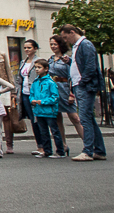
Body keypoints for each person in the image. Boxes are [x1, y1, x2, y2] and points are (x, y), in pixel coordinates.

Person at [59, 24, 106, 162]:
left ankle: (88, 151)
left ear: (72, 32)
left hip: (84, 86)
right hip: (81, 85)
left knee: (84, 118)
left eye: (66, 37)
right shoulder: (78, 46)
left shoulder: (85, 45)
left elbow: (91, 66)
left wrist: (82, 82)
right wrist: (70, 62)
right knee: (89, 118)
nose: (65, 40)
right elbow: (82, 64)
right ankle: (99, 150)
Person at [48, 35, 84, 152]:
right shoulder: (50, 59)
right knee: (57, 119)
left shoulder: (67, 59)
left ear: (60, 45)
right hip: (54, 90)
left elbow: (72, 76)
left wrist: (71, 94)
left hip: (65, 89)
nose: (53, 46)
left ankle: (88, 143)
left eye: (55, 44)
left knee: (74, 117)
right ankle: (62, 145)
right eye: (51, 44)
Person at [29, 59, 66, 157]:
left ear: (46, 69)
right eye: (36, 67)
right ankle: (47, 150)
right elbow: (31, 94)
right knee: (43, 132)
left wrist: (43, 102)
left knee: (55, 131)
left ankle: (60, 151)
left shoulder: (50, 82)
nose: (37, 69)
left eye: (39, 67)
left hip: (49, 111)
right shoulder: (35, 82)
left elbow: (55, 97)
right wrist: (32, 100)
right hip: (39, 111)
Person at [18, 39, 44, 154]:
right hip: (24, 93)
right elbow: (20, 78)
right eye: (25, 48)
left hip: (35, 93)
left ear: (35, 48)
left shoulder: (39, 61)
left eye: (29, 47)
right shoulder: (23, 62)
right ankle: (39, 145)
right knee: (33, 120)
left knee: (39, 119)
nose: (26, 50)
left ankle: (44, 145)